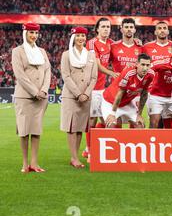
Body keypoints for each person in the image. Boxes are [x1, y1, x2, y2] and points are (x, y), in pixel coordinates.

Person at [11, 22, 51, 173]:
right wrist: (35, 91)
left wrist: (44, 90)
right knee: (24, 131)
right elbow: (20, 75)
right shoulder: (17, 51)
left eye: (35, 33)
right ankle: (25, 163)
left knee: (36, 130)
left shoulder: (42, 51)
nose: (34, 35)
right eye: (31, 33)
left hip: (41, 98)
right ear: (25, 33)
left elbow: (48, 72)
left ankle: (34, 163)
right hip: (25, 97)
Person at [60, 27, 98, 169]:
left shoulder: (91, 55)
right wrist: (78, 93)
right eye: (78, 36)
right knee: (71, 127)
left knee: (80, 127)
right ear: (73, 38)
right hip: (71, 96)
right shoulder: (66, 55)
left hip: (86, 96)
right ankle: (74, 157)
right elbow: (66, 75)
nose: (81, 38)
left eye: (83, 35)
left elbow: (94, 77)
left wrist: (86, 93)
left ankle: (74, 157)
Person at [83, 17, 116, 160]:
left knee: (104, 120)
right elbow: (96, 66)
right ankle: (89, 150)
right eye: (103, 26)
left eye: (108, 27)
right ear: (97, 29)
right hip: (92, 87)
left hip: (103, 88)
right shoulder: (91, 43)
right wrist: (112, 73)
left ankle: (94, 147)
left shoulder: (111, 43)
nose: (106, 29)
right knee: (92, 119)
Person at [103, 54, 154, 129]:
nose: (145, 68)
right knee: (112, 125)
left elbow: (144, 94)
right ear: (137, 64)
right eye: (143, 64)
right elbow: (120, 93)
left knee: (140, 125)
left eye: (147, 65)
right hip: (110, 101)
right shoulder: (129, 73)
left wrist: (139, 115)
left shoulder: (150, 75)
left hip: (126, 103)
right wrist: (113, 113)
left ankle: (135, 140)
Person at [109, 18, 142, 128]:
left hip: (134, 92)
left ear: (134, 30)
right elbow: (103, 63)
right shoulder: (113, 47)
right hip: (117, 90)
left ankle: (133, 145)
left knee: (137, 125)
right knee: (115, 124)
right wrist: (110, 73)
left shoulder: (140, 48)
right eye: (126, 27)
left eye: (131, 27)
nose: (129, 29)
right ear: (121, 29)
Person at [142, 21, 172, 128]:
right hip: (152, 91)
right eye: (159, 28)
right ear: (155, 32)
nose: (162, 30)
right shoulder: (147, 47)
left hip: (170, 91)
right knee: (154, 122)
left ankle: (168, 144)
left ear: (168, 31)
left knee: (168, 123)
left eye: (164, 28)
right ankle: (153, 143)